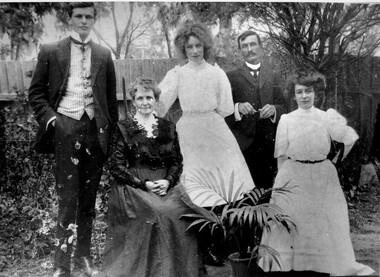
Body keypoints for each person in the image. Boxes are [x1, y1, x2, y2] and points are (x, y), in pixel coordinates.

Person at [28, 3, 118, 277]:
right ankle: (60, 264)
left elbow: (111, 103)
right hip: (65, 129)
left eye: (88, 17)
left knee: (88, 201)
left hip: (94, 131)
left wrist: (109, 137)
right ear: (70, 19)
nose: (83, 21)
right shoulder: (51, 50)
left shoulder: (104, 54)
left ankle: (82, 259)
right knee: (67, 199)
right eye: (78, 16)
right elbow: (36, 94)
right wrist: (53, 120)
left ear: (93, 20)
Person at [258, 69, 375, 276]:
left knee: (323, 221)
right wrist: (282, 185)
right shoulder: (286, 119)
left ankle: (319, 265)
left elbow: (349, 137)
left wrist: (335, 161)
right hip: (293, 173)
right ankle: (291, 264)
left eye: (308, 92)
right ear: (293, 95)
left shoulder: (326, 117)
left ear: (315, 93)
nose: (304, 96)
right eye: (300, 92)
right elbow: (281, 155)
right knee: (294, 221)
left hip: (322, 174)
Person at [99, 78, 205, 277]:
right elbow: (116, 165)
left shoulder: (167, 127)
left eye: (149, 97)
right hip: (135, 186)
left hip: (165, 184)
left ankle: (177, 271)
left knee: (181, 211)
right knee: (157, 211)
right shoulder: (123, 127)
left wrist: (168, 181)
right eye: (140, 98)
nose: (145, 102)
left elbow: (176, 161)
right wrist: (143, 184)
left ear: (156, 99)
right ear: (133, 102)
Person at [157, 21, 255, 209]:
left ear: (205, 46)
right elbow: (160, 105)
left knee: (223, 181)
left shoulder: (217, 74)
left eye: (198, 46)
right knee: (195, 180)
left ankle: (221, 221)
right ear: (183, 49)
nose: (194, 51)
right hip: (189, 132)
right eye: (189, 47)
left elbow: (226, 108)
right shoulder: (178, 74)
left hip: (215, 129)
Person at [225, 30, 288, 189]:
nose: (249, 49)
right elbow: (223, 110)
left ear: (260, 47)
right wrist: (238, 108)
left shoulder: (273, 74)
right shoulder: (231, 76)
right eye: (244, 46)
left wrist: (274, 110)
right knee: (245, 190)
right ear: (240, 51)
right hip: (244, 144)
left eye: (253, 44)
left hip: (269, 143)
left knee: (267, 188)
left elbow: (285, 107)